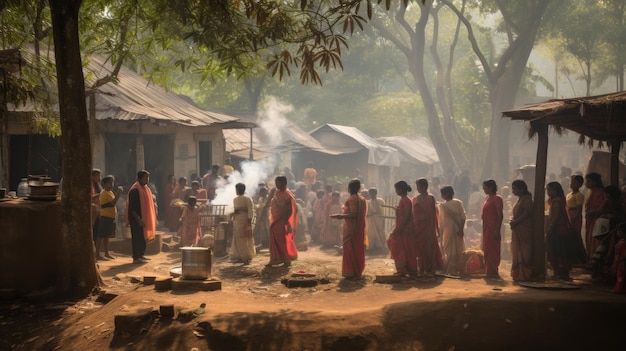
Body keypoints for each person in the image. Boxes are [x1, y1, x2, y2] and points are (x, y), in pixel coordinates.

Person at [330, 179, 367, 278]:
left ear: (349, 188)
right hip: (359, 228)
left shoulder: (351, 199)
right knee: (358, 249)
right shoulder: (362, 199)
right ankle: (357, 270)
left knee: (350, 249)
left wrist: (341, 216)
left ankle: (350, 271)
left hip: (351, 229)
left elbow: (354, 214)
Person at [546, 181, 577, 280]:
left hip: (558, 229)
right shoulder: (560, 200)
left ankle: (559, 272)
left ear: (555, 190)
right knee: (561, 251)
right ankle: (561, 273)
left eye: (549, 190)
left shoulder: (556, 201)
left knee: (557, 250)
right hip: (561, 228)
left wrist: (550, 227)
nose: (548, 192)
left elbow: (556, 216)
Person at [413, 178, 444, 275]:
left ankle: (430, 267)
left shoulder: (431, 198)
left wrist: (436, 229)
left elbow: (434, 214)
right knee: (420, 247)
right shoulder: (415, 199)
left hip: (429, 227)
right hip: (418, 227)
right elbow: (413, 214)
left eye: (418, 186)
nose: (417, 188)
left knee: (429, 247)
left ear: (423, 187)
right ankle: (422, 267)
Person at [387, 181, 418, 276]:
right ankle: (406, 269)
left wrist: (400, 228)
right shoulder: (404, 200)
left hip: (405, 229)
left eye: (396, 189)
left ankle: (404, 269)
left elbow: (407, 215)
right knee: (405, 249)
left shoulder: (405, 200)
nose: (395, 191)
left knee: (404, 248)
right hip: (404, 228)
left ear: (400, 189)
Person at [126, 170, 157, 264]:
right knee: (137, 237)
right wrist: (138, 219)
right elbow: (131, 208)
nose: (147, 179)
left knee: (142, 237)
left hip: (144, 217)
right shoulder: (135, 190)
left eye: (148, 177)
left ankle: (141, 255)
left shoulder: (145, 188)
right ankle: (136, 257)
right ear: (139, 178)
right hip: (136, 218)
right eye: (145, 177)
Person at [267, 176, 298, 267]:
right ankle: (275, 258)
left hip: (281, 220)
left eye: (278, 183)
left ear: (284, 183)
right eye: (276, 183)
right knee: (275, 239)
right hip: (275, 219)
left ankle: (286, 259)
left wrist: (285, 220)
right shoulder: (277, 192)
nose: (277, 185)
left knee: (281, 241)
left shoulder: (287, 195)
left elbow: (289, 210)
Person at [509, 179, 534, 282]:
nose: (513, 191)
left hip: (524, 229)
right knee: (517, 251)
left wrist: (515, 222)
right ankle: (518, 274)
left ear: (521, 189)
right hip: (517, 228)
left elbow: (526, 214)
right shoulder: (520, 200)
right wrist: (513, 220)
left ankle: (525, 274)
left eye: (514, 189)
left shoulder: (527, 200)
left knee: (525, 252)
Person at [439, 186, 466, 276]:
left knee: (452, 249)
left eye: (442, 194)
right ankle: (456, 269)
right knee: (457, 249)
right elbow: (463, 218)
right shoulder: (457, 203)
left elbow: (442, 220)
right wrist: (461, 229)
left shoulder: (443, 205)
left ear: (446, 194)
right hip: (455, 229)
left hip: (450, 229)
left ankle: (452, 269)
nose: (441, 195)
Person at [481, 179, 503, 278]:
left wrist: (497, 230)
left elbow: (500, 215)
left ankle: (494, 270)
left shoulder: (497, 198)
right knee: (487, 248)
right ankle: (488, 269)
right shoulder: (486, 198)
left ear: (491, 187)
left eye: (485, 188)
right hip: (486, 227)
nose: (484, 190)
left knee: (493, 248)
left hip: (493, 226)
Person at [96, 175, 122, 261]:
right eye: (109, 183)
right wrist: (118, 193)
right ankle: (97, 254)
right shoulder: (105, 193)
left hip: (109, 217)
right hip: (105, 217)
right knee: (101, 236)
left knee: (106, 236)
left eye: (112, 183)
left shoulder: (109, 192)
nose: (111, 185)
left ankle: (106, 253)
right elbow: (113, 203)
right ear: (104, 184)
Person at [230, 183, 255, 264]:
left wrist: (249, 222)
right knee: (237, 238)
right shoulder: (235, 199)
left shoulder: (247, 199)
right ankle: (239, 256)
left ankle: (246, 256)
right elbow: (236, 211)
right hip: (237, 221)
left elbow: (250, 211)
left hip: (244, 221)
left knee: (244, 238)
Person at [584, 173, 606, 263]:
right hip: (591, 220)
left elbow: (600, 208)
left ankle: (595, 263)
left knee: (594, 241)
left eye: (588, 181)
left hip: (597, 220)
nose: (586, 183)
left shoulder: (599, 192)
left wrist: (591, 212)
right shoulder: (592, 192)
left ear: (595, 182)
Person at [366, 188, 386, 253]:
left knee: (381, 233)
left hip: (379, 219)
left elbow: (383, 211)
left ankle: (381, 247)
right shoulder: (368, 202)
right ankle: (372, 247)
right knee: (371, 234)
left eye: (373, 193)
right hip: (371, 221)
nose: (371, 195)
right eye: (370, 193)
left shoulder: (380, 201)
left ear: (375, 193)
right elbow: (367, 212)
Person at [91, 168, 102, 241]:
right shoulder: (90, 185)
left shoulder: (97, 185)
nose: (99, 177)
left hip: (98, 210)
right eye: (97, 176)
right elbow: (90, 198)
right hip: (92, 211)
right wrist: (100, 194)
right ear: (92, 176)